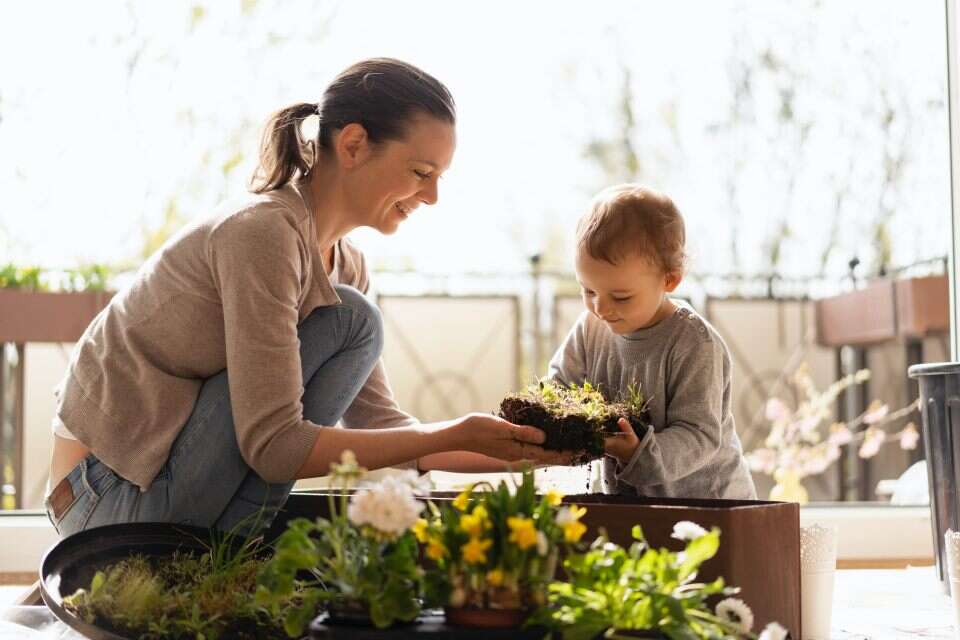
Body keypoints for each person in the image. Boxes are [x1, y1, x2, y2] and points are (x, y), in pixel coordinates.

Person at [45, 58, 566, 538]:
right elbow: (274, 448)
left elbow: (385, 427)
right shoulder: (263, 233)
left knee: (348, 317)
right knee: (351, 319)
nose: (431, 197)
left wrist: (538, 451)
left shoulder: (346, 264)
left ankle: (224, 563)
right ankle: (192, 563)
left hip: (172, 492)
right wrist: (444, 435)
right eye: (420, 173)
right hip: (104, 502)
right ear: (355, 144)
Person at [547, 184, 757, 499]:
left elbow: (699, 434)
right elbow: (561, 385)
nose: (600, 308)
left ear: (669, 280)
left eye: (621, 296)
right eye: (588, 291)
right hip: (632, 503)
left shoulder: (694, 344)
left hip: (708, 507)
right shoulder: (591, 327)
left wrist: (638, 453)